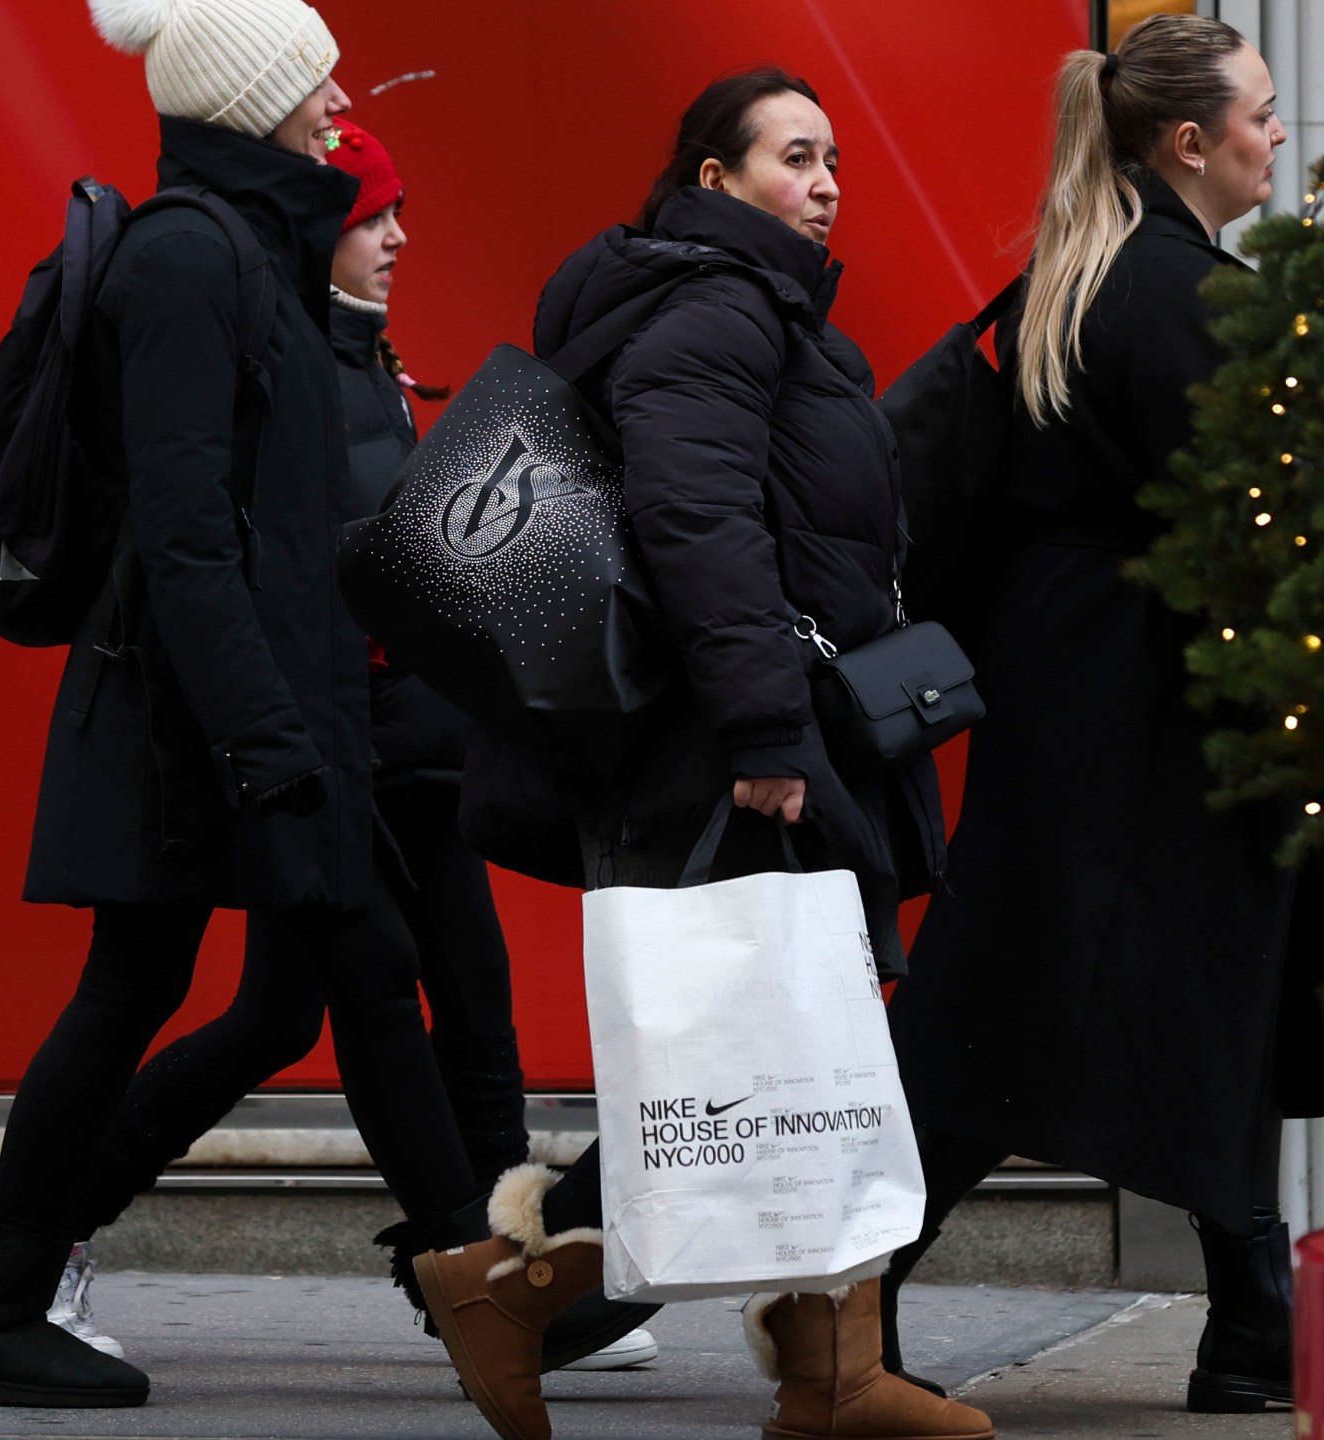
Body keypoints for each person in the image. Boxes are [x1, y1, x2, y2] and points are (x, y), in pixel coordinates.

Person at [0, 0, 485, 1410]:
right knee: (151, 985)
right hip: (198, 725)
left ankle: (486, 1293)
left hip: (247, 718)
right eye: (313, 81)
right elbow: (185, 536)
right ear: (251, 103)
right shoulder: (185, 261)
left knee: (341, 975)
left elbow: (274, 527)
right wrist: (268, 736)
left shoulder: (251, 254)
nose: (337, 98)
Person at [413, 68, 994, 1440]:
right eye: (798, 156)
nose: (830, 179)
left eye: (836, 155)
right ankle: (509, 1293)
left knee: (808, 1058)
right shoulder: (715, 312)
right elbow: (697, 520)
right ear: (716, 181)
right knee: (762, 1066)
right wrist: (763, 729)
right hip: (733, 740)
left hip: (759, 724)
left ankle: (826, 1374)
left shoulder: (753, 310)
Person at [53, 116, 664, 1376]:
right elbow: (267, 562)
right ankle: (52, 1234)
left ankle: (508, 1271)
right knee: (310, 1005)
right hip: (342, 757)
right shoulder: (291, 357)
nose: (397, 235)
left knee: (402, 1003)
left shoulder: (360, 356)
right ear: (318, 224)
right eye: (375, 213)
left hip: (410, 748)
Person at [879, 15, 1324, 1417]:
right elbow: (1257, 535)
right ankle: (848, 1300)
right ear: (1188, 141)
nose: (1277, 135)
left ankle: (1249, 1314)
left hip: (1088, 687)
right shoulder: (1189, 299)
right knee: (1035, 1009)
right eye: (1263, 115)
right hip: (1165, 705)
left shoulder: (1087, 272)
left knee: (1173, 995)